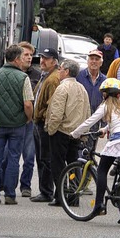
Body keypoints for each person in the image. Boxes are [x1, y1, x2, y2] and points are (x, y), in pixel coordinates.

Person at [71, 78, 120, 217]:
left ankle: (99, 205)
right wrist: (105, 129)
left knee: (102, 170)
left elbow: (90, 121)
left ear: (105, 94)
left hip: (118, 140)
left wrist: (75, 133)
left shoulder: (105, 106)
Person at [0, 45, 34, 205]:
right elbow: (28, 104)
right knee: (14, 158)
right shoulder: (23, 78)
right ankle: (9, 194)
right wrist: (28, 118)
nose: (23, 60)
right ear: (16, 59)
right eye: (22, 57)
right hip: (17, 124)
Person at [46, 59, 90, 206]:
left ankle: (60, 196)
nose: (59, 71)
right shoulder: (82, 88)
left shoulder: (62, 88)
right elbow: (87, 112)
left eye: (61, 69)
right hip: (76, 132)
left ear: (67, 72)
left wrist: (51, 129)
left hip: (61, 131)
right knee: (73, 163)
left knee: (58, 164)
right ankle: (73, 196)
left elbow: (57, 113)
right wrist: (84, 131)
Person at [0, 41, 39, 197]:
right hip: (12, 120)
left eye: (31, 55)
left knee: (29, 156)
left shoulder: (37, 75)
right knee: (6, 154)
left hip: (29, 122)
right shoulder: (8, 73)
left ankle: (25, 186)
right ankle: (6, 183)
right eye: (26, 55)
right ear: (18, 57)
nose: (29, 58)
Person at [30, 47, 61, 203]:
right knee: (43, 158)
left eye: (46, 58)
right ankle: (46, 191)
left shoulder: (53, 79)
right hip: (39, 123)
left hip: (44, 124)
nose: (42, 60)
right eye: (41, 57)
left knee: (46, 159)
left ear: (54, 62)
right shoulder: (46, 76)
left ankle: (47, 191)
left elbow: (53, 104)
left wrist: (42, 117)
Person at [76, 49, 107, 149]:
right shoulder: (79, 76)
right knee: (77, 151)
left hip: (95, 122)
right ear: (87, 61)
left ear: (101, 62)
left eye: (97, 59)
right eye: (91, 59)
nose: (94, 61)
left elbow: (107, 103)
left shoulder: (105, 80)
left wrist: (104, 125)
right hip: (79, 119)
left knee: (90, 151)